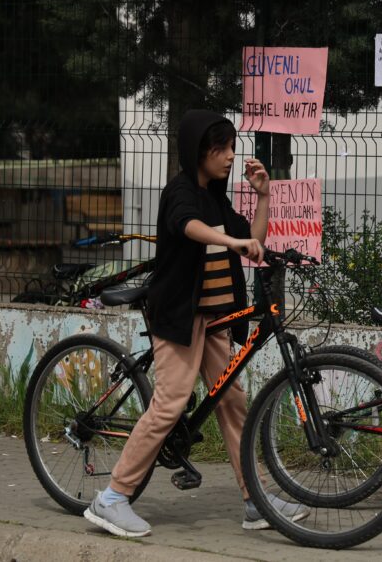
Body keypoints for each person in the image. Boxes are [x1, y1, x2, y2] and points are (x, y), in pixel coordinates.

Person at [84, 109, 307, 537]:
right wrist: (231, 239)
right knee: (170, 402)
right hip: (180, 316)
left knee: (232, 401)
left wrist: (262, 198)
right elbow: (190, 228)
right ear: (197, 152)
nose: (228, 157)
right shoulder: (180, 192)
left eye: (230, 148)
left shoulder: (217, 197)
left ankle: (254, 501)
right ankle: (110, 498)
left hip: (216, 316)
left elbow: (252, 242)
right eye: (218, 149)